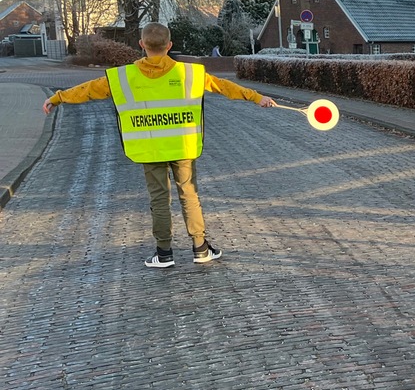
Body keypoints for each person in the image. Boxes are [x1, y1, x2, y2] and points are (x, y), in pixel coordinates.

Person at [43, 21, 277, 268]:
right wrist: (257, 97)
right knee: (189, 196)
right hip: (183, 147)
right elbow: (224, 87)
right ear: (170, 45)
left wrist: (58, 98)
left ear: (141, 44)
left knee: (159, 200)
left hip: (149, 148)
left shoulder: (124, 77)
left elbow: (89, 90)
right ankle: (200, 248)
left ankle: (164, 253)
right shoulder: (190, 74)